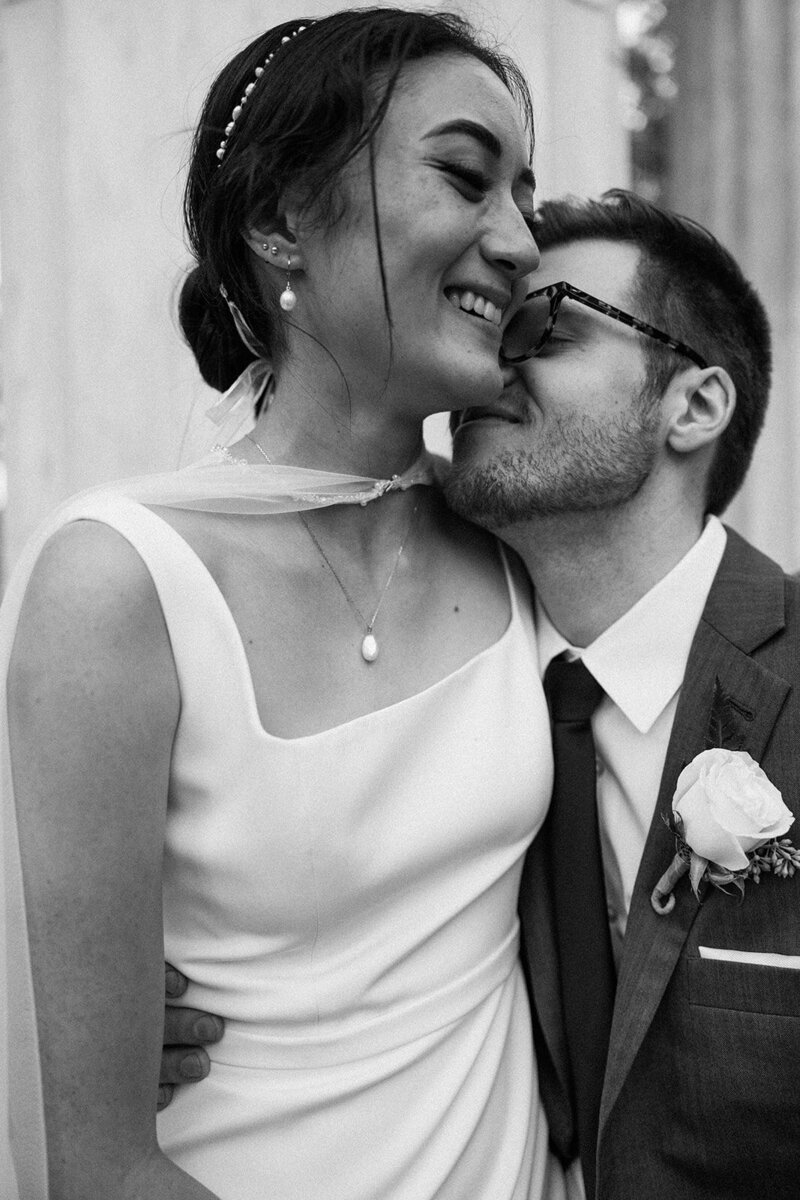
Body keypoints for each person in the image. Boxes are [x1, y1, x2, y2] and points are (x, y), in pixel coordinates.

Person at [1, 9, 570, 1199]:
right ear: (276, 224)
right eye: (465, 177)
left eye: (526, 196)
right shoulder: (122, 582)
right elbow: (99, 1168)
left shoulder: (521, 545)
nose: (519, 241)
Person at [444, 189, 800, 1200]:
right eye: (479, 329)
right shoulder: (426, 685)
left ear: (690, 405)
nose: (481, 366)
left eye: (538, 325)